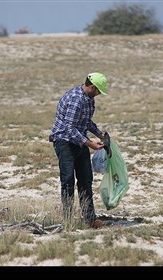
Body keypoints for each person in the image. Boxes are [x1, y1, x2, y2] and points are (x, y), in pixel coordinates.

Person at [49, 72, 108, 229]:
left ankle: (90, 219)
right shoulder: (76, 99)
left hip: (79, 141)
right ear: (93, 87)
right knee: (67, 180)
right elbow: (70, 128)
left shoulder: (89, 100)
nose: (99, 94)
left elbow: (86, 121)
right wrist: (90, 144)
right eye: (99, 91)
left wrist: (100, 134)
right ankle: (68, 220)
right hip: (64, 142)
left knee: (85, 180)